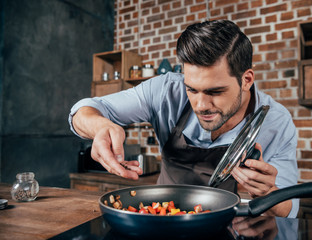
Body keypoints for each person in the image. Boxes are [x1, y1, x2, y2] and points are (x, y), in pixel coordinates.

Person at [69, 20, 299, 218]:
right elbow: (85, 110)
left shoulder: (276, 122)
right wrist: (100, 126)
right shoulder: (164, 91)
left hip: (224, 226)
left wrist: (268, 193)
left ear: (247, 79)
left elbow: (291, 208)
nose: (200, 106)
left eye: (215, 92)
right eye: (192, 89)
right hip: (162, 220)